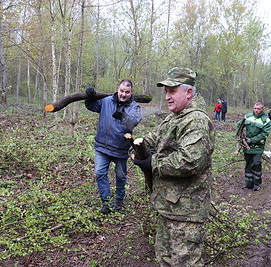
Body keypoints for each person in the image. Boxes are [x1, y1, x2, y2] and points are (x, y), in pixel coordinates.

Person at [132, 67, 214, 266]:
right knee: (166, 259)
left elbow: (190, 161)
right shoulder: (174, 117)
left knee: (185, 263)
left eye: (172, 91)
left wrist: (152, 163)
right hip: (169, 206)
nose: (167, 97)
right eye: (166, 92)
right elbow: (151, 140)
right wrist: (136, 147)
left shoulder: (196, 120)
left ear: (188, 92)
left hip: (186, 212)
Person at [84, 79, 142, 214]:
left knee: (121, 177)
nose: (123, 94)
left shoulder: (134, 107)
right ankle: (107, 203)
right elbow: (92, 106)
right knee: (100, 173)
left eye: (127, 92)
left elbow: (134, 121)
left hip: (120, 149)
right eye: (121, 91)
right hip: (102, 147)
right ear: (118, 89)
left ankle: (119, 202)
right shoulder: (106, 101)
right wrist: (90, 97)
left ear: (131, 92)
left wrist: (123, 116)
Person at [237, 102, 271, 191]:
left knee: (256, 163)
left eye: (258, 109)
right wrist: (239, 136)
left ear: (262, 109)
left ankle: (256, 183)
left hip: (258, 146)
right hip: (246, 145)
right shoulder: (248, 116)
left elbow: (264, 134)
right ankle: (248, 183)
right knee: (248, 163)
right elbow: (239, 125)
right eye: (255, 108)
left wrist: (252, 140)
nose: (256, 110)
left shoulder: (266, 120)